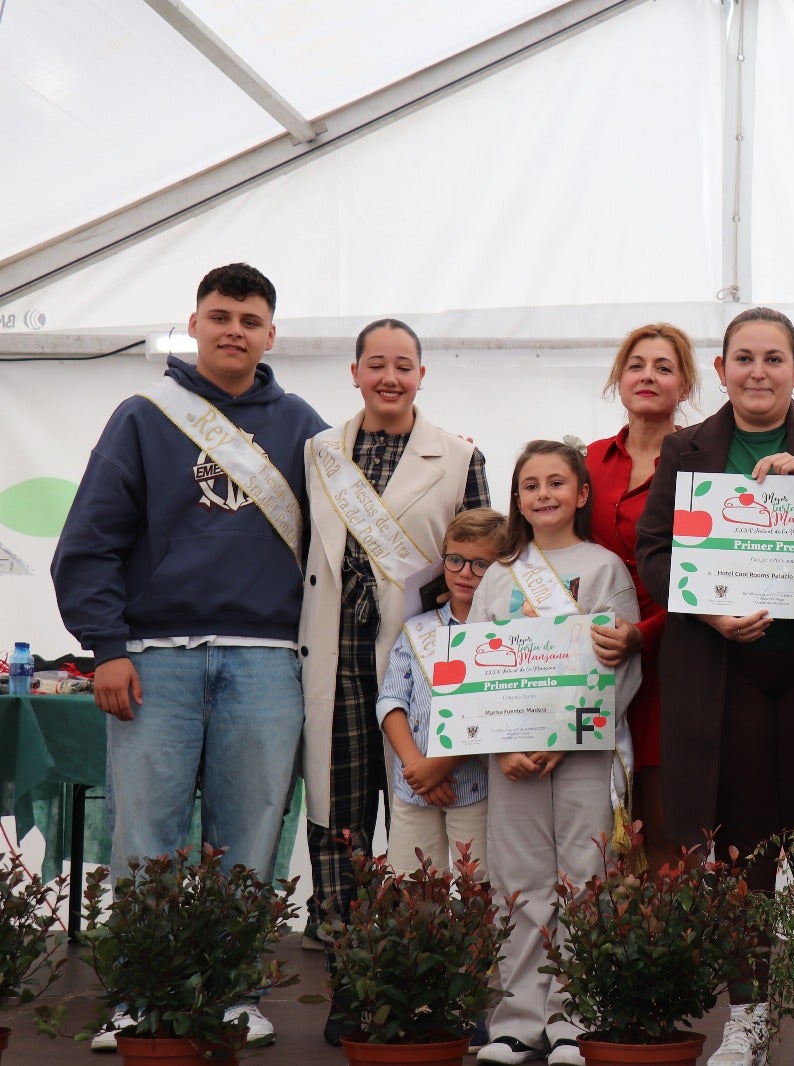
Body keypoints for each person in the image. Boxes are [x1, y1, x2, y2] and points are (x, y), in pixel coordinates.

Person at [51, 262, 328, 1049]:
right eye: (219, 315)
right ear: (195, 323)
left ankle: (237, 988)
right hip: (154, 659)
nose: (233, 329)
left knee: (252, 836)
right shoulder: (143, 416)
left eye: (248, 318)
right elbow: (91, 543)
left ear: (271, 333)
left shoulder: (304, 424)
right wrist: (106, 648)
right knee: (146, 835)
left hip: (268, 659)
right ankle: (142, 990)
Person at [635, 307, 794, 1066]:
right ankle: (748, 1015)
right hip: (727, 677)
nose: (758, 372)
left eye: (774, 359)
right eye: (743, 358)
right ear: (719, 370)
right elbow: (653, 552)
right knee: (741, 854)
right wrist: (708, 613)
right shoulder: (687, 449)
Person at [298, 317, 490, 1045]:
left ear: (421, 374)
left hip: (421, 666)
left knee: (442, 832)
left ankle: (451, 984)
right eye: (375, 363)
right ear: (354, 372)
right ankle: (356, 982)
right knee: (342, 830)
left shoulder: (461, 453)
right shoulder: (318, 451)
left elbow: (481, 559)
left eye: (403, 365)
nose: (389, 376)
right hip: (334, 660)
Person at [472, 440, 642, 1066]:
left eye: (556, 483)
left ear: (581, 493)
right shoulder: (497, 574)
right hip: (512, 757)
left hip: (583, 752)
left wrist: (566, 736)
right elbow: (474, 673)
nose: (543, 495)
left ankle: (574, 1017)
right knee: (518, 884)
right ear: (516, 499)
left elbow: (620, 662)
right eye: (530, 485)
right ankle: (517, 1021)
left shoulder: (605, 569)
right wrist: (504, 742)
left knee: (582, 877)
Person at [586, 323, 699, 870]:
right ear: (618, 378)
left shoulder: (707, 465)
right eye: (636, 365)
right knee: (595, 831)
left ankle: (670, 952)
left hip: (675, 659)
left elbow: (715, 572)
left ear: (685, 385)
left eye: (663, 366)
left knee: (665, 831)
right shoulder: (584, 464)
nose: (648, 376)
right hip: (594, 663)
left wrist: (641, 634)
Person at [376, 507, 502, 876]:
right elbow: (390, 701)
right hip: (412, 784)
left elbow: (495, 711)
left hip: (473, 783)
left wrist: (439, 766)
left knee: (476, 885)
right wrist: (417, 766)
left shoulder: (502, 635)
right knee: (411, 882)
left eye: (481, 564)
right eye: (456, 559)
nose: (465, 572)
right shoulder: (416, 628)